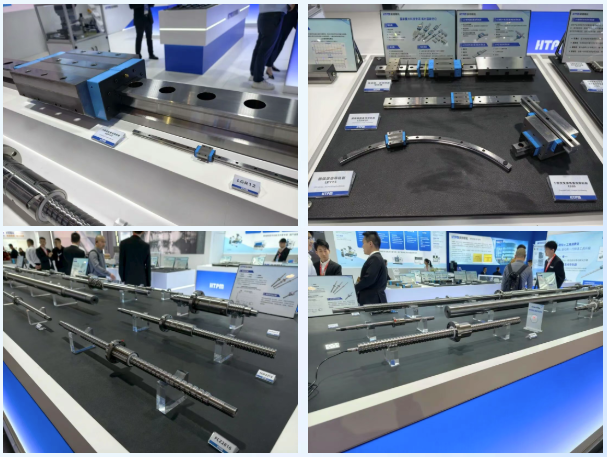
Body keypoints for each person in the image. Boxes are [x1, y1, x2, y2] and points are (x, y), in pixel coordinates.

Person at [249, 5, 291, 90]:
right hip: (274, 14)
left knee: (260, 46)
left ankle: (254, 75)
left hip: (265, 13)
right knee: (265, 49)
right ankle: (258, 80)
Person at [355, 231, 388, 305]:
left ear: (370, 243)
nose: (362, 246)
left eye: (363, 243)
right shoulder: (377, 258)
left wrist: (354, 288)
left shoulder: (375, 258)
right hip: (373, 300)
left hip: (372, 301)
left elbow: (368, 279)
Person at [265, 5, 297, 79]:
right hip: (288, 14)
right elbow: (290, 7)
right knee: (279, 41)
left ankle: (270, 63)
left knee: (280, 41)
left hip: (293, 14)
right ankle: (269, 66)